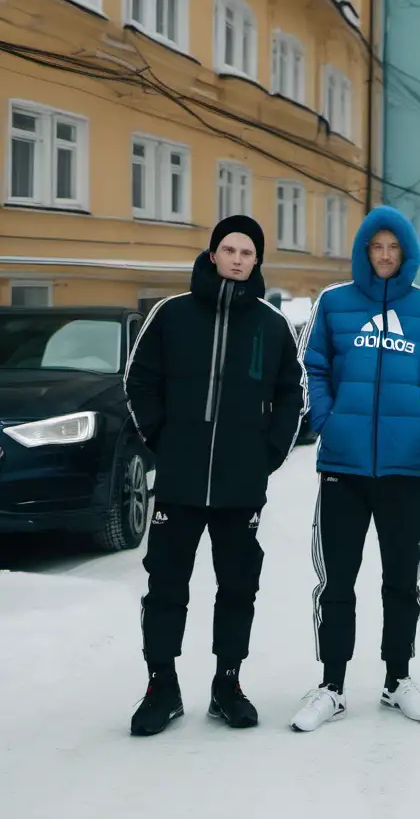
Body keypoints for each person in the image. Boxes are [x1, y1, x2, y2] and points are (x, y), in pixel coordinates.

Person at [124, 215, 306, 736]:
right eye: (229, 249)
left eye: (247, 253)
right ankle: (162, 685)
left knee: (238, 588)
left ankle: (228, 684)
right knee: (165, 587)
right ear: (212, 255)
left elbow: (293, 394)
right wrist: (162, 440)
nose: (237, 259)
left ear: (256, 262)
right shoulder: (171, 314)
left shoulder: (271, 326)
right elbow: (140, 380)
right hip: (179, 484)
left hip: (239, 486)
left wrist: (267, 452)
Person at [290, 206, 420, 731]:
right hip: (342, 467)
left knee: (401, 581)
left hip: (402, 470)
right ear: (365, 252)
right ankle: (332, 685)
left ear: (406, 253)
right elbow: (312, 366)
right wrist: (327, 420)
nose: (385, 256)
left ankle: (397, 679)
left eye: (394, 248)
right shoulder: (335, 303)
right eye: (376, 247)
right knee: (337, 579)